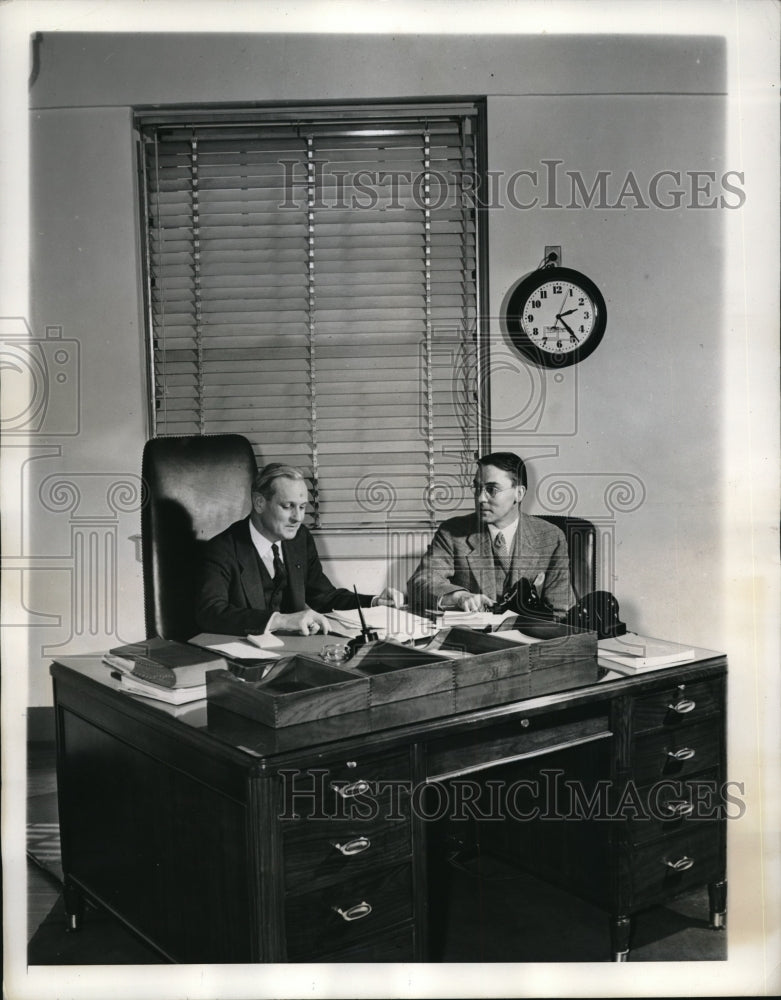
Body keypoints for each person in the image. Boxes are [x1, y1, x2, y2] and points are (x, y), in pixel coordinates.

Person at [196, 463, 404, 635]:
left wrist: (374, 602)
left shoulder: (299, 539)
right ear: (259, 503)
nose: (298, 517)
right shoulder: (222, 549)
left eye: (302, 507)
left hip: (293, 653)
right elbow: (211, 613)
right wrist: (281, 620)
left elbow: (324, 597)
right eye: (288, 507)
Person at [407, 452, 574, 616]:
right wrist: (458, 596)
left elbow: (560, 610)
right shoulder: (452, 532)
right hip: (473, 638)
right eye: (477, 487)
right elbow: (421, 582)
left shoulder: (551, 537)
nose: (480, 498)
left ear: (519, 493)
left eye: (491, 489)